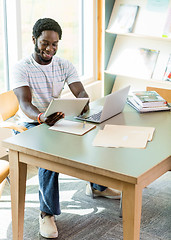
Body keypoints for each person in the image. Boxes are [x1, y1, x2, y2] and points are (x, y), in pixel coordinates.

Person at [12, 18, 120, 239]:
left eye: (54, 44)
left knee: (92, 136)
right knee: (50, 158)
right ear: (34, 40)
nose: (49, 49)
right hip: (30, 123)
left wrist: (83, 102)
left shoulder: (64, 64)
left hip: (57, 118)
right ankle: (46, 213)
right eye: (44, 43)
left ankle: (97, 186)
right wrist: (42, 117)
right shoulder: (21, 68)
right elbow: (25, 104)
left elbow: (80, 92)